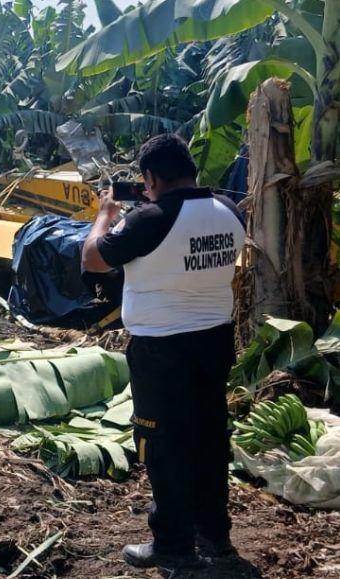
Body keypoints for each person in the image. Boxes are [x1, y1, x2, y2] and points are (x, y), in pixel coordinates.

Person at [81, 134, 246, 569]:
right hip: (214, 342)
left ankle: (172, 543)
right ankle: (215, 536)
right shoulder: (230, 211)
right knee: (210, 439)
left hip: (162, 351)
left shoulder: (149, 220)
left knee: (164, 445)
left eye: (146, 182)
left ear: (151, 177)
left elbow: (92, 260)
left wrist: (104, 216)